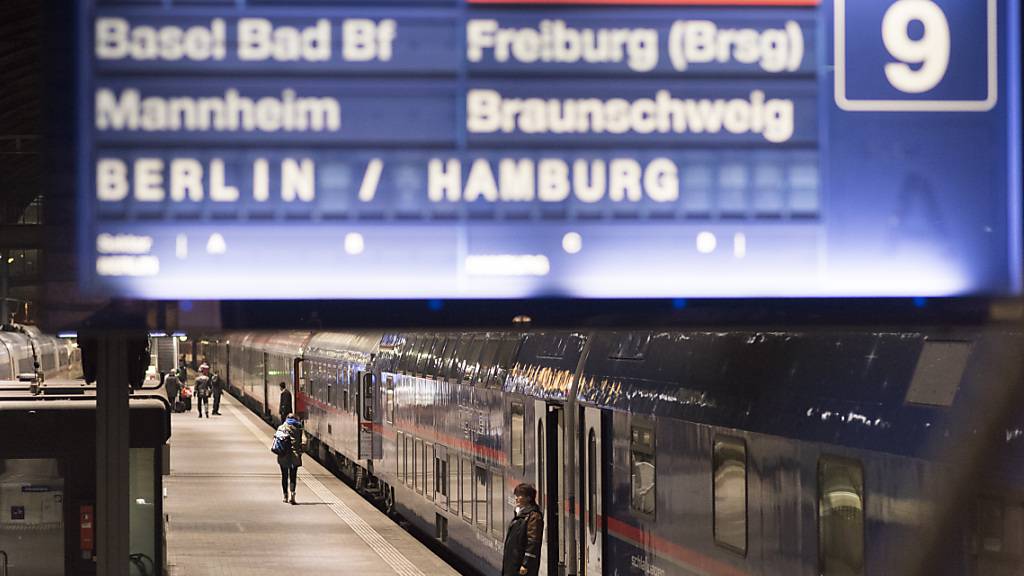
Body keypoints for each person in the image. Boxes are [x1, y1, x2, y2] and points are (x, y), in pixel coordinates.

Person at [502, 483, 543, 576]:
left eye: (519, 495)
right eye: (516, 495)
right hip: (514, 562)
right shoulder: (521, 514)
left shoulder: (533, 516)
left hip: (521, 566)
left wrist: (526, 564)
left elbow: (533, 542)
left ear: (528, 498)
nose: (516, 498)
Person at [276, 413, 303, 504]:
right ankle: (292, 495)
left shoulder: (281, 427)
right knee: (293, 476)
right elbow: (304, 442)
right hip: (294, 456)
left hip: (283, 455)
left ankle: (285, 496)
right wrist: (300, 450)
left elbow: (276, 440)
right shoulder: (299, 428)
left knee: (284, 476)